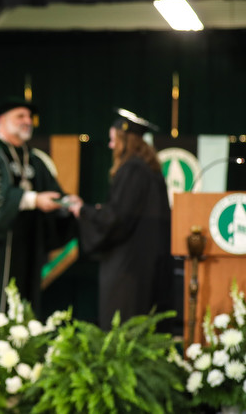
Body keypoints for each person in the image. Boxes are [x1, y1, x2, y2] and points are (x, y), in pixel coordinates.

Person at [0, 98, 77, 315]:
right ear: (2, 121)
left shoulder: (34, 160)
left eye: (29, 117)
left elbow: (53, 193)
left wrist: (68, 203)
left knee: (25, 312)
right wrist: (31, 200)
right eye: (20, 116)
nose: (27, 121)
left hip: (28, 248)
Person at [68, 109, 172, 330]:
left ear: (125, 140)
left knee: (121, 328)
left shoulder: (132, 169)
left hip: (127, 268)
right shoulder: (151, 171)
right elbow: (127, 212)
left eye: (113, 139)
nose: (110, 145)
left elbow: (116, 219)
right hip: (147, 263)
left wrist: (83, 210)